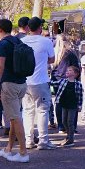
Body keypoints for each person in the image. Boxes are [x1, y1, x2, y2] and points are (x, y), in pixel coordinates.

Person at [0, 19, 30, 163]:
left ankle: (23, 152)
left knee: (15, 118)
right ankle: (9, 149)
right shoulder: (17, 41)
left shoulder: (2, 44)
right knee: (14, 116)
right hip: (22, 83)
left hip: (9, 84)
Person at [21, 17, 56, 150]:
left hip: (25, 81)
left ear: (28, 28)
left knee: (27, 111)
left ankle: (29, 140)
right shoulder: (45, 41)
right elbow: (52, 59)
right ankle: (43, 140)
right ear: (40, 28)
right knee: (42, 110)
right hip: (40, 80)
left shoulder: (22, 41)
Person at [51, 39, 80, 134]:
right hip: (68, 80)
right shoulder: (70, 54)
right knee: (71, 103)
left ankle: (61, 126)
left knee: (59, 102)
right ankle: (72, 126)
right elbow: (76, 67)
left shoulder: (54, 53)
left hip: (56, 79)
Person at [53, 65, 82, 147]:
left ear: (75, 74)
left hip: (72, 105)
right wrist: (47, 82)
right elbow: (54, 84)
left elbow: (80, 96)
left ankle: (71, 139)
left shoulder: (78, 84)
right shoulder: (63, 81)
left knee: (70, 121)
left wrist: (79, 106)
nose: (67, 71)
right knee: (64, 121)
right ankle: (68, 136)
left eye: (70, 70)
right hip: (64, 104)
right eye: (67, 70)